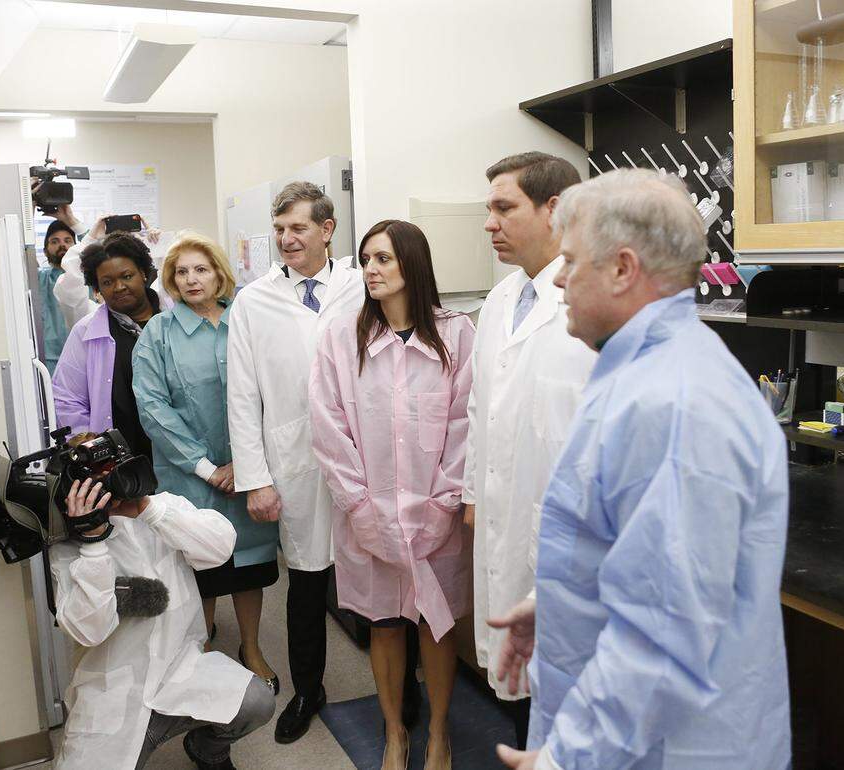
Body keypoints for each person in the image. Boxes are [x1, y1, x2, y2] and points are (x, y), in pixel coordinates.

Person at [490, 169, 791, 770]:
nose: (559, 278)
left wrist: (564, 760)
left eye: (571, 261)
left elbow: (666, 630)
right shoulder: (643, 369)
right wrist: (556, 597)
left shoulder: (674, 403)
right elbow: (629, 539)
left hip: (669, 748)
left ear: (623, 269)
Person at [310, 220, 474, 770]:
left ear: (413, 265)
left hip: (437, 514)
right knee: (383, 623)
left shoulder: (456, 335)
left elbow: (464, 424)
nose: (371, 271)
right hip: (369, 513)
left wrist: (444, 502)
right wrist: (359, 505)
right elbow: (328, 427)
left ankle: (439, 735)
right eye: (365, 260)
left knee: (437, 622)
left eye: (382, 259)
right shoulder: (340, 336)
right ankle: (396, 734)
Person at [463, 152, 597, 747]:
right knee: (520, 692)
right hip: (504, 519)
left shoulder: (593, 305)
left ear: (555, 209)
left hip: (571, 543)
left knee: (568, 699)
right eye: (488, 209)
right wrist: (472, 496)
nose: (489, 223)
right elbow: (478, 408)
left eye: (503, 207)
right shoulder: (499, 301)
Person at [227, 181, 365, 743]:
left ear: (327, 230)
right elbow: (242, 396)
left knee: (377, 576)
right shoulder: (254, 299)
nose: (285, 239)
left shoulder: (361, 284)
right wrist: (256, 479)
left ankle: (397, 685)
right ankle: (309, 688)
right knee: (307, 581)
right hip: (295, 458)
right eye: (279, 229)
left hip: (362, 456)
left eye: (298, 229)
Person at [132, 232, 282, 694]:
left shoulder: (246, 321)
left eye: (201, 269)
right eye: (182, 271)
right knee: (201, 566)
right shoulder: (158, 333)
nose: (192, 279)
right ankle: (202, 648)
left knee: (251, 564)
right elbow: (153, 407)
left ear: (220, 273)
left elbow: (272, 392)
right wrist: (206, 468)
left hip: (249, 470)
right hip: (191, 477)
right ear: (171, 280)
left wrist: (247, 462)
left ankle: (251, 647)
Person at [50, 476, 275, 770]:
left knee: (257, 702)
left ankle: (207, 750)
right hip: (114, 693)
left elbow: (221, 546)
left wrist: (148, 509)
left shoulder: (161, 508)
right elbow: (90, 630)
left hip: (179, 670)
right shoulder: (66, 549)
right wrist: (93, 543)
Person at [52, 233, 161, 456]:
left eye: (127, 276)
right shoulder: (86, 332)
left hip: (181, 454)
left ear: (143, 273)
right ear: (97, 289)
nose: (119, 287)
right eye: (107, 282)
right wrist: (88, 444)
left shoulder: (173, 318)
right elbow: (66, 398)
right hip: (120, 460)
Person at [39, 217, 76, 374]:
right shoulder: (40, 278)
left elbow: (96, 248)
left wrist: (69, 218)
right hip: (50, 358)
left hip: (82, 354)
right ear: (45, 250)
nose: (62, 245)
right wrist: (29, 206)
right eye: (55, 241)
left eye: (68, 240)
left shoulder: (85, 276)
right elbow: (18, 258)